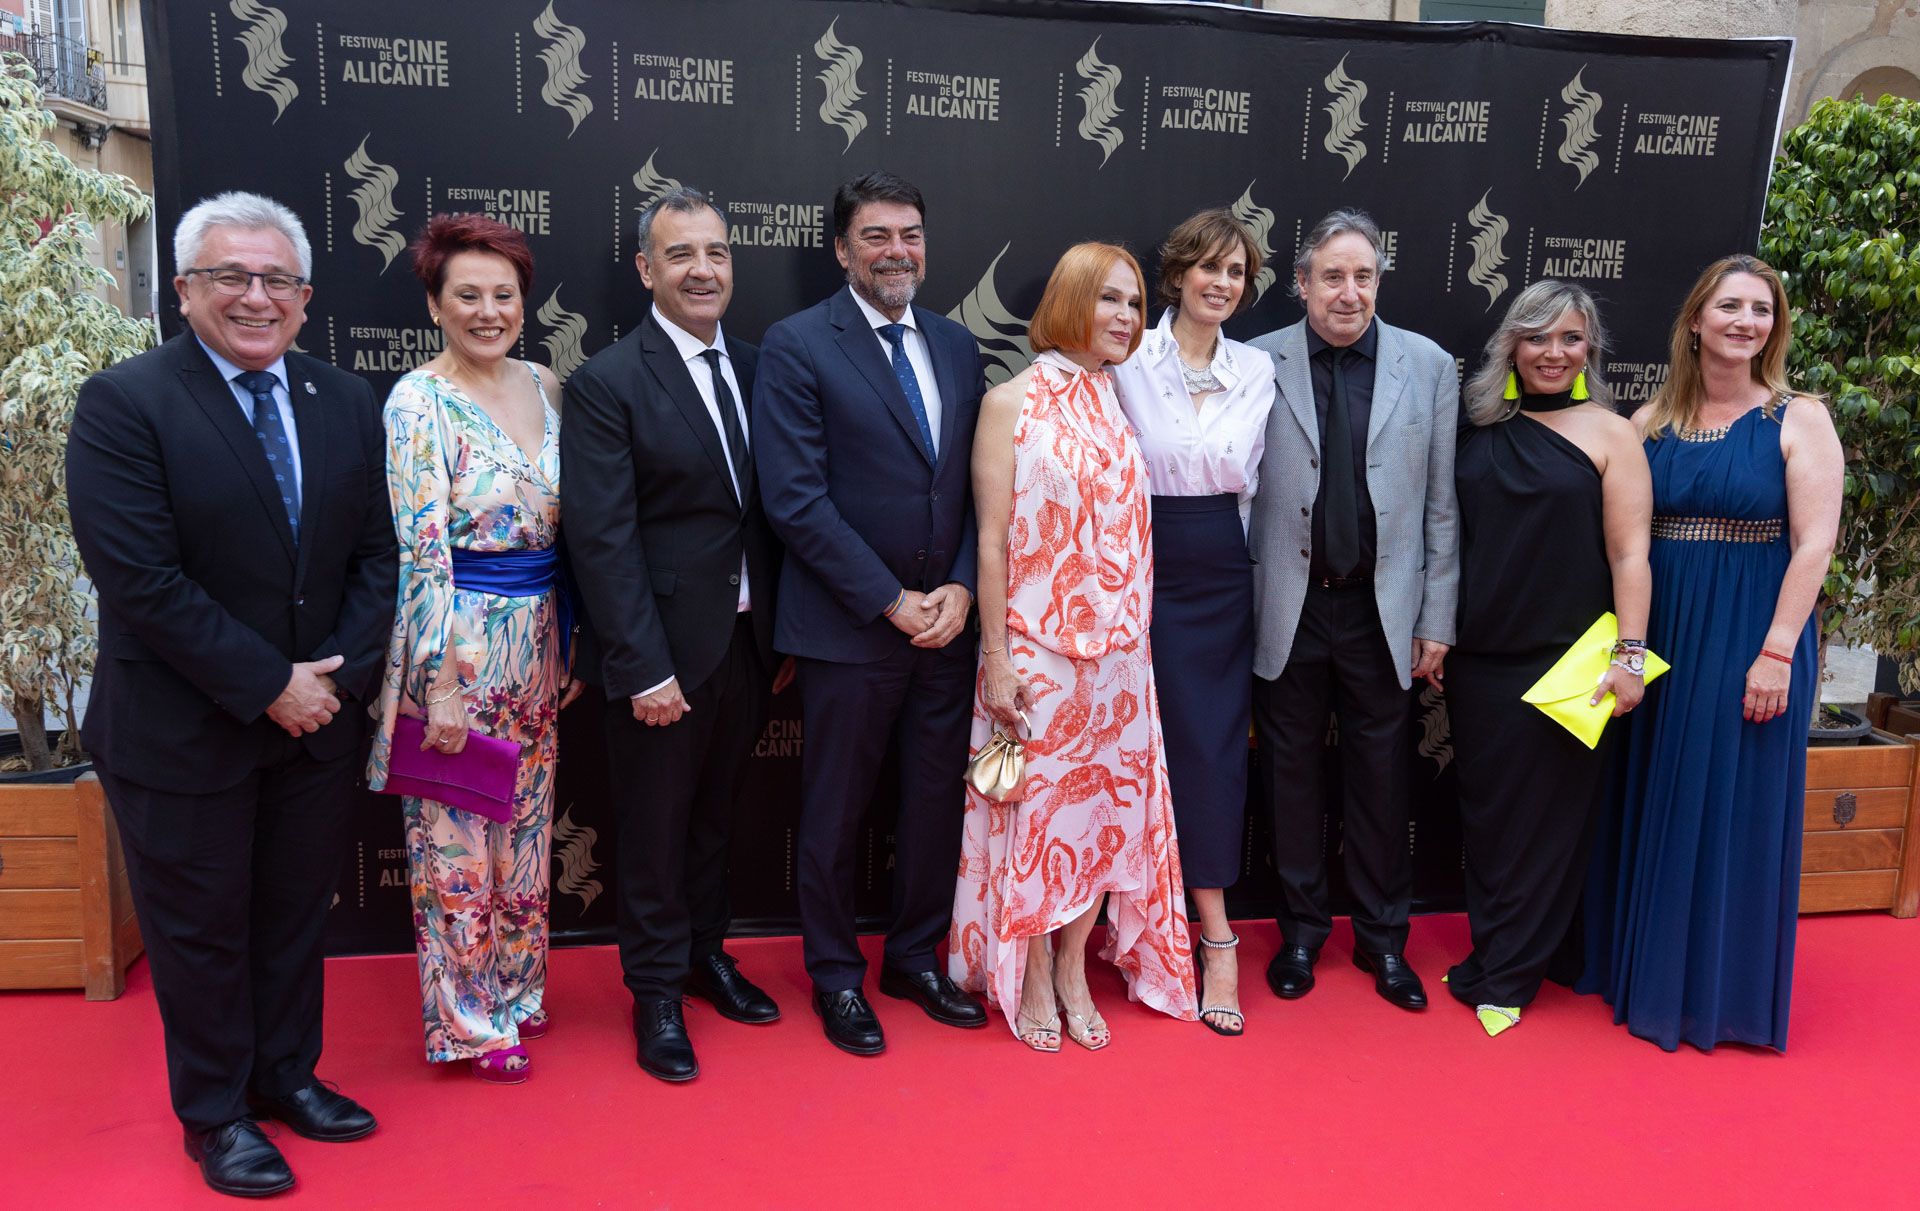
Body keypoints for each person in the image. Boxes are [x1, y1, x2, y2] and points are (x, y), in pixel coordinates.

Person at [65, 192, 394, 1197]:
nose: (257, 296)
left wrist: (330, 676)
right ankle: (214, 1115)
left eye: (277, 280)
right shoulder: (125, 403)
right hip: (181, 729)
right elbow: (142, 580)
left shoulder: (342, 398)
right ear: (183, 290)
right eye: (230, 277)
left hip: (316, 721)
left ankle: (286, 1075)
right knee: (201, 930)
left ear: (304, 296)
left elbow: (376, 558)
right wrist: (268, 685)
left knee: (293, 915)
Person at [1581, 254, 1842, 1052]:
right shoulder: (1650, 419)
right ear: (1695, 320)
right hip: (1662, 630)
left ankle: (1712, 990)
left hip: (1749, 632)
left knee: (1727, 799)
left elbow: (1815, 544)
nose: (1745, 322)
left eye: (1760, 310)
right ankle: (1639, 967)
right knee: (1656, 785)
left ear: (1775, 326)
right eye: (1728, 306)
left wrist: (1778, 651)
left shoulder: (1800, 417)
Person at [754, 171, 989, 1055]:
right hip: (851, 628)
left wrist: (963, 587)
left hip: (946, 627)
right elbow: (795, 501)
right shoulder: (797, 344)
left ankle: (914, 958)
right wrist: (890, 601)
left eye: (912, 235)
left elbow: (978, 489)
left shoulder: (958, 345)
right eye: (879, 236)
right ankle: (836, 976)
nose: (899, 251)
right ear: (843, 248)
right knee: (836, 809)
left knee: (933, 802)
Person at [561, 186, 789, 1083]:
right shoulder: (608, 381)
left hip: (745, 644)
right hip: (658, 656)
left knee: (716, 820)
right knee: (654, 833)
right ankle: (654, 990)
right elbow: (602, 537)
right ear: (647, 270)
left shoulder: (765, 368)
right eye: (682, 254)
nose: (704, 269)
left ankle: (705, 954)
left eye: (717, 253)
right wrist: (641, 664)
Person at [952, 242, 1199, 1051]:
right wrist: (997, 657)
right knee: (1038, 819)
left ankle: (1070, 969)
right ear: (1070, 302)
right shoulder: (1010, 403)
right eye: (1111, 301)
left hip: (1123, 657)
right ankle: (1026, 973)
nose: (1127, 317)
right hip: (1039, 652)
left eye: (1134, 303)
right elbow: (991, 543)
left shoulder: (1117, 397)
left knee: (1104, 824)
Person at [366, 213, 578, 1084]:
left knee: (527, 832)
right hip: (455, 641)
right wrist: (437, 685)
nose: (488, 311)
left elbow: (569, 535)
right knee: (457, 840)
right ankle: (467, 1023)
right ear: (434, 304)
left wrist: (568, 642)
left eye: (504, 295)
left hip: (538, 641)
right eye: (468, 296)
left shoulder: (547, 382)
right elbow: (421, 550)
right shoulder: (417, 401)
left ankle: (518, 990)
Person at [1246, 208, 1459, 1010]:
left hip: (1384, 613)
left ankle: (1382, 941)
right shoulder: (1254, 362)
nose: (1348, 292)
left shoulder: (1428, 366)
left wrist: (1435, 618)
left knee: (1382, 784)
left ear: (1379, 282)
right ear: (1301, 283)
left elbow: (1442, 506)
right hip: (1287, 608)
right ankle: (1301, 933)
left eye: (1363, 276)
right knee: (1290, 778)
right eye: (1331, 276)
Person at [1445, 280, 1652, 1037]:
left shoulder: (1611, 433)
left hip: (1573, 662)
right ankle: (1492, 953)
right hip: (1481, 659)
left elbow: (1632, 553)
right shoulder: (1474, 423)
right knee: (1491, 819)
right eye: (1538, 338)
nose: (1554, 353)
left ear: (1588, 349)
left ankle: (1509, 976)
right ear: (1512, 345)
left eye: (1570, 339)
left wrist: (1630, 658)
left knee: (1548, 823)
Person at [1111, 209, 1275, 1037]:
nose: (1221, 282)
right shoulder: (1126, 353)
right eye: (1208, 267)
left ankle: (1216, 938)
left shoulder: (1260, 368)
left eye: (1237, 272)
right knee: (1125, 747)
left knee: (1210, 751)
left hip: (1219, 567)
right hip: (1131, 561)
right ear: (1175, 275)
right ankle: (1112, 931)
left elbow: (1253, 490)